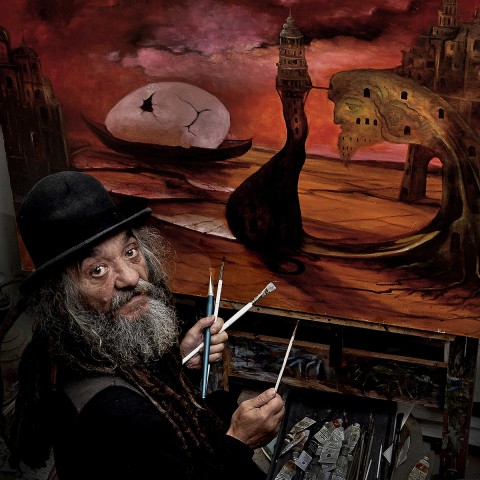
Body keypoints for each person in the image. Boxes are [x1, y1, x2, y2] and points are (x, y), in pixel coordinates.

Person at [9, 171, 285, 480]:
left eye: (130, 252)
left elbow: (145, 389)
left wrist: (181, 362)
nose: (131, 277)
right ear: (62, 296)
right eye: (97, 270)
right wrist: (239, 441)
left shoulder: (85, 343)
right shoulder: (116, 415)